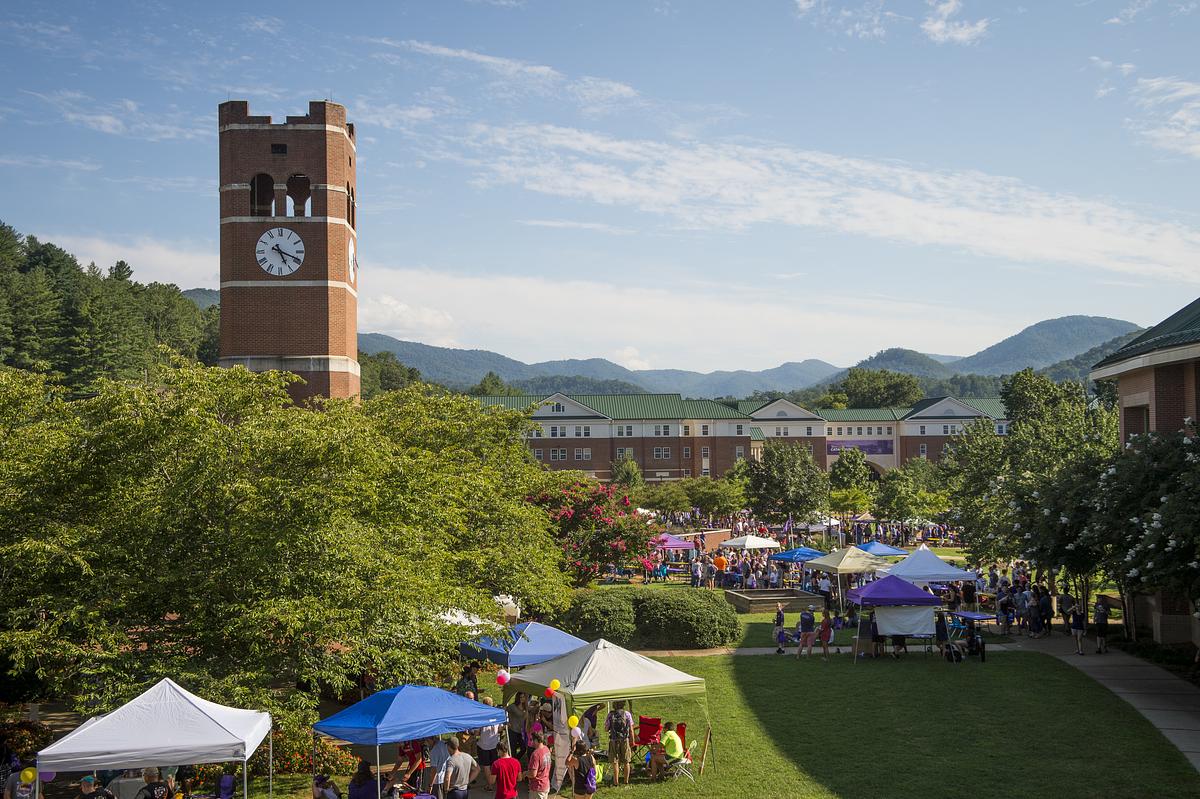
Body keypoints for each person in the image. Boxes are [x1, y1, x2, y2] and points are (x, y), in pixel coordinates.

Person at [604, 700, 633, 787]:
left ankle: (615, 782)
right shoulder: (627, 714)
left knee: (615, 761)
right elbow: (631, 729)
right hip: (624, 739)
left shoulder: (610, 715)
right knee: (626, 761)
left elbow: (606, 729)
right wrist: (632, 740)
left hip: (613, 740)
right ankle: (626, 781)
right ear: (623, 704)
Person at [476, 697, 503, 790]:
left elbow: (477, 732)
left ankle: (490, 785)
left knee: (486, 766)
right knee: (494, 765)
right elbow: (500, 729)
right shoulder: (497, 714)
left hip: (484, 745)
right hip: (494, 744)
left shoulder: (480, 716)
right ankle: (497, 782)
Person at [524, 730, 552, 799]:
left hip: (537, 788)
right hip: (545, 785)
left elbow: (533, 774)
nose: (531, 742)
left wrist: (525, 773)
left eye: (532, 739)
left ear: (536, 740)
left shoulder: (536, 754)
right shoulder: (546, 749)